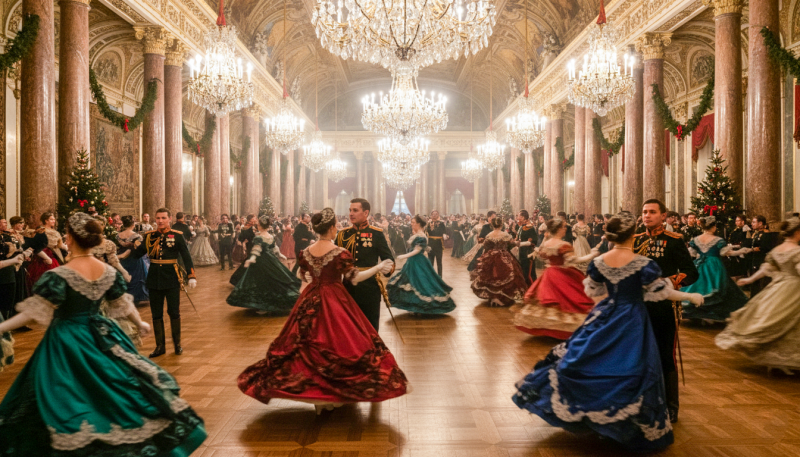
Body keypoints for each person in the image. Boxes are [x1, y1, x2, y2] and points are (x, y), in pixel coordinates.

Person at [0, 212, 206, 456]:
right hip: (102, 334)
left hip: (66, 342)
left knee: (61, 397)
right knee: (115, 389)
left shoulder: (60, 275)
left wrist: (2, 327)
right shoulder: (107, 271)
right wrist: (139, 322)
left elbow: (33, 313)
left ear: (71, 238)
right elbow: (122, 302)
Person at [512, 212, 703, 452]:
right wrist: (690, 295)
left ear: (610, 235)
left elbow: (593, 292)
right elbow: (661, 292)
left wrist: (612, 301)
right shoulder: (643, 263)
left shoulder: (600, 262)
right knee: (632, 366)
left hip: (605, 314)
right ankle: (621, 421)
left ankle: (593, 414)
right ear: (633, 235)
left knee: (590, 360)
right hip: (633, 318)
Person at [237, 208, 408, 413]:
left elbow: (304, 276)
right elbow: (354, 278)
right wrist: (378, 268)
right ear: (333, 227)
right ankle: (334, 395)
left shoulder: (305, 252)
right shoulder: (339, 253)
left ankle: (319, 400)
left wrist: (315, 279)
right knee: (339, 342)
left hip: (310, 297)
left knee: (307, 343)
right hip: (335, 298)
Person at [633, 199, 698, 423]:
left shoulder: (674, 241)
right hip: (638, 306)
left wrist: (669, 282)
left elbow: (691, 272)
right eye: (644, 212)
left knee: (665, 356)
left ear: (663, 216)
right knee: (639, 354)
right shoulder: (635, 240)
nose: (647, 216)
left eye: (652, 212)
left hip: (664, 306)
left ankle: (671, 406)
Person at [716, 217, 800, 374]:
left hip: (778, 287)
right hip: (793, 289)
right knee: (787, 321)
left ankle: (776, 359)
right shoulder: (797, 251)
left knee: (773, 319)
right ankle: (785, 359)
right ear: (797, 232)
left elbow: (765, 268)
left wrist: (750, 278)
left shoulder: (778, 250)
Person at [513, 218, 599, 339]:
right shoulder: (563, 245)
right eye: (563, 227)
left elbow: (542, 257)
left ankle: (548, 328)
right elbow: (574, 260)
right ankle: (562, 329)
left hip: (549, 273)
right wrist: (592, 255)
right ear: (558, 229)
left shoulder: (546, 243)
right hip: (563, 275)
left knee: (549, 302)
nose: (565, 229)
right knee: (568, 301)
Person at [131, 208, 196, 358]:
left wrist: (191, 275)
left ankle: (177, 344)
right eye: (158, 218)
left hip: (172, 278)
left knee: (174, 312)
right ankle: (160, 346)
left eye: (163, 218)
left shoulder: (177, 236)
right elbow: (137, 254)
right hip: (154, 279)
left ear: (169, 219)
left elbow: (186, 257)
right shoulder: (148, 236)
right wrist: (132, 244)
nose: (160, 221)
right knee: (156, 314)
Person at [334, 199, 395, 330]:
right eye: (350, 210)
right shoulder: (342, 234)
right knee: (349, 329)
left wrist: (387, 269)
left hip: (370, 288)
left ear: (366, 212)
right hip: (347, 288)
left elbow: (389, 259)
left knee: (370, 327)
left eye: (355, 210)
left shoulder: (376, 233)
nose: (351, 213)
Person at [680, 216, 749, 322]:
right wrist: (741, 251)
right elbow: (725, 253)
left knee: (698, 286)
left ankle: (699, 313)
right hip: (714, 266)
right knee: (717, 286)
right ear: (713, 227)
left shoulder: (696, 239)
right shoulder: (718, 240)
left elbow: (692, 253)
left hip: (699, 264)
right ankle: (710, 314)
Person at [227, 215, 300, 315]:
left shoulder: (259, 237)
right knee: (271, 280)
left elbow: (257, 249)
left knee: (262, 282)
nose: (257, 226)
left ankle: (264, 305)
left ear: (260, 226)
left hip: (261, 261)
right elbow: (274, 248)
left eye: (258, 225)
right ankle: (269, 304)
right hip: (271, 259)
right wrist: (280, 255)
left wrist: (251, 259)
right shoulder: (270, 236)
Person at [387, 215, 456, 315]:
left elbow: (417, 250)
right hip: (413, 261)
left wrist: (404, 256)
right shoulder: (418, 234)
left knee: (420, 282)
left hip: (418, 261)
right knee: (411, 282)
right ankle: (414, 305)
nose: (411, 224)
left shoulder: (421, 236)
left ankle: (421, 306)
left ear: (418, 224)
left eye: (413, 222)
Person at [470, 216, 528, 307]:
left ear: (492, 225)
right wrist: (518, 242)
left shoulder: (489, 235)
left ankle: (493, 297)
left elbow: (486, 246)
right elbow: (512, 244)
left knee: (492, 277)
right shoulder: (505, 235)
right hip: (504, 257)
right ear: (501, 225)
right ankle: (499, 297)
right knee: (505, 276)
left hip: (491, 256)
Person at [26, 211, 65, 290]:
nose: (54, 221)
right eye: (51, 219)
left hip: (53, 257)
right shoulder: (40, 231)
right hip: (42, 258)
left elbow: (60, 245)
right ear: (46, 221)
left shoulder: (55, 232)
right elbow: (35, 245)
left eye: (54, 219)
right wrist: (46, 257)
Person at [116, 216, 150, 304]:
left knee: (125, 274)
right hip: (134, 257)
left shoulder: (118, 235)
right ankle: (138, 297)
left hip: (123, 259)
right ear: (133, 224)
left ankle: (125, 296)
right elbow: (139, 248)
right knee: (138, 276)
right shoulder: (137, 235)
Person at [89, 216, 131, 283]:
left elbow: (114, 261)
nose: (98, 226)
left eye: (101, 224)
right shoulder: (84, 242)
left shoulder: (108, 244)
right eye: (96, 224)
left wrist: (124, 272)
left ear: (104, 226)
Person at [229, 215, 257, 285]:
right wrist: (244, 242)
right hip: (250, 247)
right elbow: (241, 238)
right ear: (251, 219)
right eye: (254, 218)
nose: (256, 219)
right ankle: (238, 279)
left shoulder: (256, 226)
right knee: (250, 262)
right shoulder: (246, 228)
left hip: (256, 246)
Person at [515, 210, 538, 286]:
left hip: (528, 253)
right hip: (521, 252)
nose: (517, 217)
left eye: (518, 216)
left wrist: (521, 244)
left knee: (529, 272)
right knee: (522, 270)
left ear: (522, 217)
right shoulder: (521, 226)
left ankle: (532, 289)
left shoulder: (530, 227)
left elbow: (534, 240)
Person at [425, 210, 447, 276]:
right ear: (431, 215)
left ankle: (440, 277)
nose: (434, 215)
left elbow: (444, 231)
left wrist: (445, 235)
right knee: (430, 262)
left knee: (439, 262)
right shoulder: (428, 223)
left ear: (438, 215)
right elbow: (426, 232)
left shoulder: (441, 223)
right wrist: (430, 229)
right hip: (431, 244)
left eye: (436, 214)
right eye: (433, 214)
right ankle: (430, 276)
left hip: (439, 244)